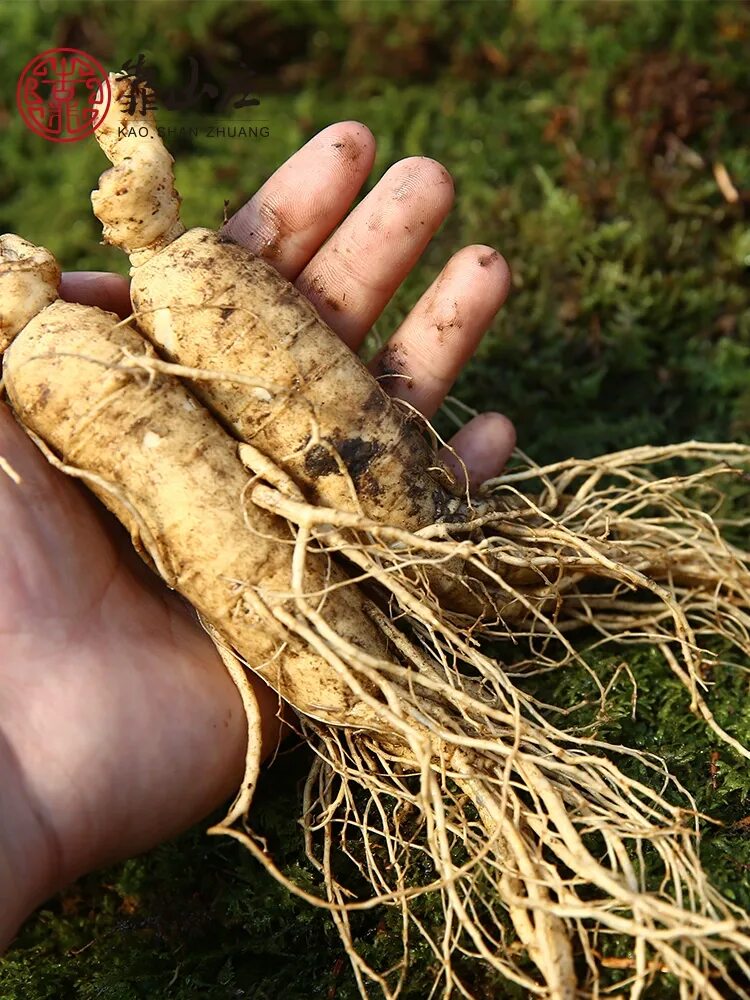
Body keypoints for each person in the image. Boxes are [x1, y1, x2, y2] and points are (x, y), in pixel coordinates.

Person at [0, 121, 515, 949]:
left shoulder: (166, 285)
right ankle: (427, 724)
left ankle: (464, 608)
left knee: (359, 436)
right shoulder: (51, 361)